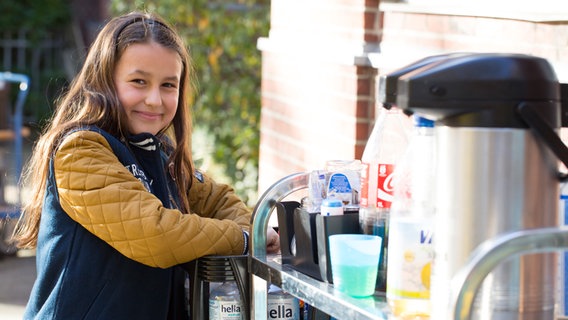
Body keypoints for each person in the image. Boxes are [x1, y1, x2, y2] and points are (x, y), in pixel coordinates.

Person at [14, 11, 279, 319]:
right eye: (139, 81)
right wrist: (245, 239)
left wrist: (244, 228)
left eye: (168, 85)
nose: (154, 99)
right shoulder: (80, 151)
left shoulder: (161, 153)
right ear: (105, 81)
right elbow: (156, 234)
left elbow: (218, 200)